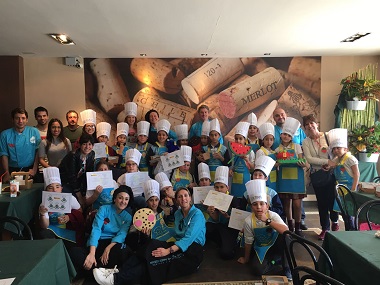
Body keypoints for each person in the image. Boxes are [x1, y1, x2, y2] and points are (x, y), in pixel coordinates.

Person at [93, 187, 206, 285]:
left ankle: (115, 279)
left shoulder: (197, 214)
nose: (183, 199)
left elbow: (188, 239)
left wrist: (168, 250)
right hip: (178, 246)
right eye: (180, 197)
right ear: (176, 200)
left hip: (192, 252)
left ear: (190, 198)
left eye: (186, 195)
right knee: (150, 246)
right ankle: (117, 271)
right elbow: (176, 233)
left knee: (152, 263)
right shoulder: (178, 214)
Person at [69, 186, 133, 280]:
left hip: (112, 245)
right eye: (120, 198)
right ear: (115, 198)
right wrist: (92, 254)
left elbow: (122, 234)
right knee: (74, 252)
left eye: (126, 199)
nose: (123, 201)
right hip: (97, 243)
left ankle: (91, 272)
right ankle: (101, 273)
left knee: (124, 251)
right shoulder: (103, 209)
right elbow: (96, 229)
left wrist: (108, 248)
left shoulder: (127, 217)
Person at [237, 179, 290, 279]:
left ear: (267, 206)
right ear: (251, 207)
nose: (259, 207)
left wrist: (268, 221)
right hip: (262, 248)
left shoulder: (273, 215)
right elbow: (248, 242)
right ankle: (275, 262)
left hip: (275, 245)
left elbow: (286, 231)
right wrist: (246, 259)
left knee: (286, 238)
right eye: (255, 204)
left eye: (262, 204)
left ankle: (287, 267)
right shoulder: (248, 221)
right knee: (257, 270)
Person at [302, 114, 339, 240]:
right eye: (307, 124)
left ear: (317, 124)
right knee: (321, 203)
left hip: (331, 174)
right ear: (304, 128)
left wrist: (331, 164)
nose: (310, 126)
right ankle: (325, 228)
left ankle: (335, 222)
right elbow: (309, 159)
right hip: (317, 175)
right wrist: (325, 162)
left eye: (312, 123)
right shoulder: (306, 142)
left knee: (332, 200)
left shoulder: (328, 136)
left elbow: (338, 152)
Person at [272, 108, 308, 230]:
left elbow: (302, 161)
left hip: (296, 179)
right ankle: (290, 225)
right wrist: (277, 163)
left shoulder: (297, 147)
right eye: (284, 134)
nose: (285, 136)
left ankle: (298, 225)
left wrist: (302, 163)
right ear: (280, 135)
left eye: (288, 135)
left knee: (297, 204)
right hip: (284, 178)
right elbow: (275, 162)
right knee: (286, 204)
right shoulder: (277, 150)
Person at [38, 167, 84, 246]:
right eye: (50, 187)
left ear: (61, 189)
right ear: (46, 190)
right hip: (52, 230)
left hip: (68, 230)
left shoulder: (71, 199)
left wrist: (69, 217)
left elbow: (80, 211)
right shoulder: (43, 204)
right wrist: (42, 214)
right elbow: (45, 226)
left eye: (57, 187)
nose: (54, 190)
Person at [206, 166, 242, 259]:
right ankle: (220, 243)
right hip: (219, 227)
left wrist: (228, 217)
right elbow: (215, 219)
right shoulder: (213, 198)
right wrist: (211, 212)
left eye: (222, 187)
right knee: (205, 228)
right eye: (216, 187)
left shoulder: (234, 199)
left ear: (227, 188)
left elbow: (238, 221)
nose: (219, 190)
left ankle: (230, 244)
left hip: (230, 229)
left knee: (226, 254)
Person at [329, 128, 360, 230]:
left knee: (350, 213)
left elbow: (356, 174)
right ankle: (347, 229)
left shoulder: (351, 159)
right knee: (343, 212)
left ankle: (352, 231)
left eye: (338, 148)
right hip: (341, 190)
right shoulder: (337, 159)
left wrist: (353, 189)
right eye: (334, 148)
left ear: (345, 149)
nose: (336, 150)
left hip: (350, 189)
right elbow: (331, 165)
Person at [0, 108, 41, 182]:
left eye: (23, 118)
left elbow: (38, 151)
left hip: (30, 170)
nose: (20, 121)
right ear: (12, 119)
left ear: (27, 119)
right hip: (12, 170)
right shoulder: (5, 135)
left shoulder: (34, 132)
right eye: (17, 118)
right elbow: (4, 155)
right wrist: (7, 173)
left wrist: (34, 169)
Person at [242, 156, 284, 220]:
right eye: (255, 175)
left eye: (260, 175)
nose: (257, 177)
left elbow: (279, 210)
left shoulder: (272, 193)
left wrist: (267, 209)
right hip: (250, 221)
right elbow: (241, 209)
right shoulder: (246, 193)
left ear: (266, 178)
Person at [59, 133, 96, 205]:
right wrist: (79, 195)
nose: (87, 147)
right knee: (75, 202)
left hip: (78, 183)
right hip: (65, 182)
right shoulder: (73, 155)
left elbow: (88, 173)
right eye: (84, 144)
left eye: (90, 144)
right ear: (80, 145)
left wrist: (84, 193)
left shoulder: (91, 154)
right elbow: (71, 176)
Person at [199, 118, 230, 183]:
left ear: (219, 135)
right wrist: (202, 159)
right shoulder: (205, 149)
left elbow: (229, 163)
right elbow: (202, 163)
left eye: (215, 135)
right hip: (207, 176)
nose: (214, 137)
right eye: (211, 135)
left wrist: (221, 158)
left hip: (220, 176)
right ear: (209, 136)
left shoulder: (224, 149)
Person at [230, 121, 255, 198]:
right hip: (235, 180)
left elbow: (253, 168)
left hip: (246, 180)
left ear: (245, 140)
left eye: (240, 139)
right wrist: (231, 170)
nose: (238, 141)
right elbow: (233, 165)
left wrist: (247, 160)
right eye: (236, 139)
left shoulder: (251, 152)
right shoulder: (233, 152)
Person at [255, 123, 277, 190]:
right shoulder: (260, 152)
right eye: (266, 139)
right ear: (263, 140)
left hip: (274, 178)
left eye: (271, 139)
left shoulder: (274, 152)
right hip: (264, 178)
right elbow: (259, 167)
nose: (269, 142)